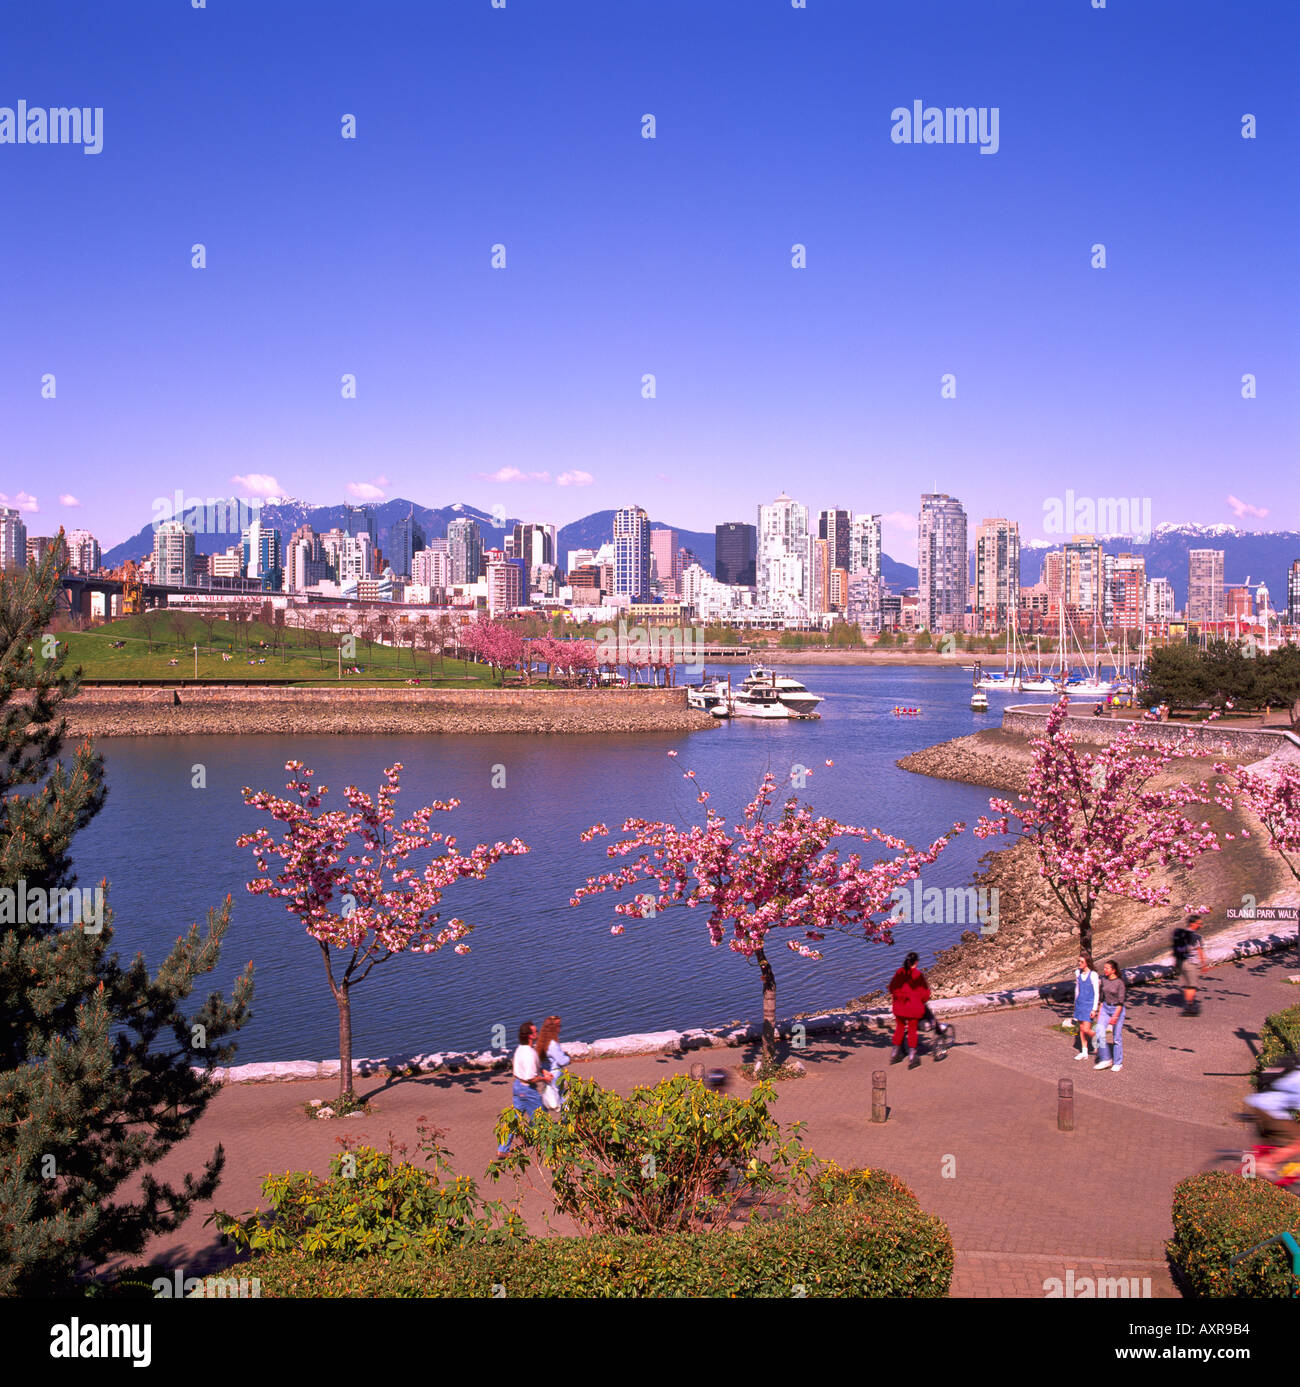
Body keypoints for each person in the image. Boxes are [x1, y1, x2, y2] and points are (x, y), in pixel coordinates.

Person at [496, 1020, 552, 1155]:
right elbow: (530, 1078)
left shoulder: (521, 1049)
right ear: (530, 1036)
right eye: (535, 1031)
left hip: (517, 1086)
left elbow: (531, 1068)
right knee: (541, 1116)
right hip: (527, 1090)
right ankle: (547, 1148)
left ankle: (503, 1149)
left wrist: (542, 1070)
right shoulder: (529, 1054)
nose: (538, 1033)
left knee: (514, 1118)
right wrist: (545, 1079)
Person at [1244, 1059, 1300, 1180]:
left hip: (1260, 1104)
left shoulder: (1295, 1068)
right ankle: (1265, 1164)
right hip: (1269, 1110)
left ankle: (1256, 1174)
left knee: (1274, 1147)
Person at [889, 951, 931, 1070]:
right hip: (912, 1009)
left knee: (899, 1028)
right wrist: (921, 1000)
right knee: (912, 1030)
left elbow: (892, 988)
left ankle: (895, 1053)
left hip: (899, 1007)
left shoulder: (899, 972)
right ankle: (912, 1056)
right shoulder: (918, 975)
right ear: (916, 963)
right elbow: (925, 994)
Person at [1171, 914, 1209, 1016]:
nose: (1200, 926)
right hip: (1191, 963)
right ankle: (1189, 1007)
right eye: (1199, 924)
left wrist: (1177, 964)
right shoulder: (1197, 937)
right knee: (1192, 986)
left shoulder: (1180, 934)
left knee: (1188, 984)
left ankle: (1189, 1005)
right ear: (1192, 924)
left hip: (1181, 963)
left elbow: (1175, 949)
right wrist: (1203, 964)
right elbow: (1200, 951)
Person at [1094, 960, 1126, 1071]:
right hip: (1105, 1008)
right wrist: (1100, 1012)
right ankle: (1106, 1058)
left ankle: (1118, 1062)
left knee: (1116, 1037)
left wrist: (1115, 1016)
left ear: (1113, 970)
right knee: (1099, 1031)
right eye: (1104, 968)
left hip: (1117, 1009)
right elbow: (1102, 999)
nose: (1105, 970)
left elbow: (1121, 1002)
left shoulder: (1119, 983)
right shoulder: (1104, 980)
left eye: (1107, 968)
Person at [537, 1014, 570, 1109]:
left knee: (550, 1095)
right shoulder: (552, 1044)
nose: (560, 1027)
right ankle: (567, 1119)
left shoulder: (542, 1042)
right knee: (560, 1098)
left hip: (547, 1074)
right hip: (555, 1075)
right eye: (559, 1025)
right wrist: (568, 1057)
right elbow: (562, 1061)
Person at [1072, 952, 1101, 1059]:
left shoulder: (1093, 975)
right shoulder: (1077, 973)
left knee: (1086, 1029)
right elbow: (1077, 990)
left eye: (1081, 962)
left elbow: (1096, 993)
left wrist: (1094, 1009)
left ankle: (1099, 1042)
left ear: (1087, 963)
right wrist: (1075, 1004)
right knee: (1081, 1028)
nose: (1079, 963)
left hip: (1089, 1004)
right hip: (1080, 1004)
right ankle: (1084, 1051)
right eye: (1078, 961)